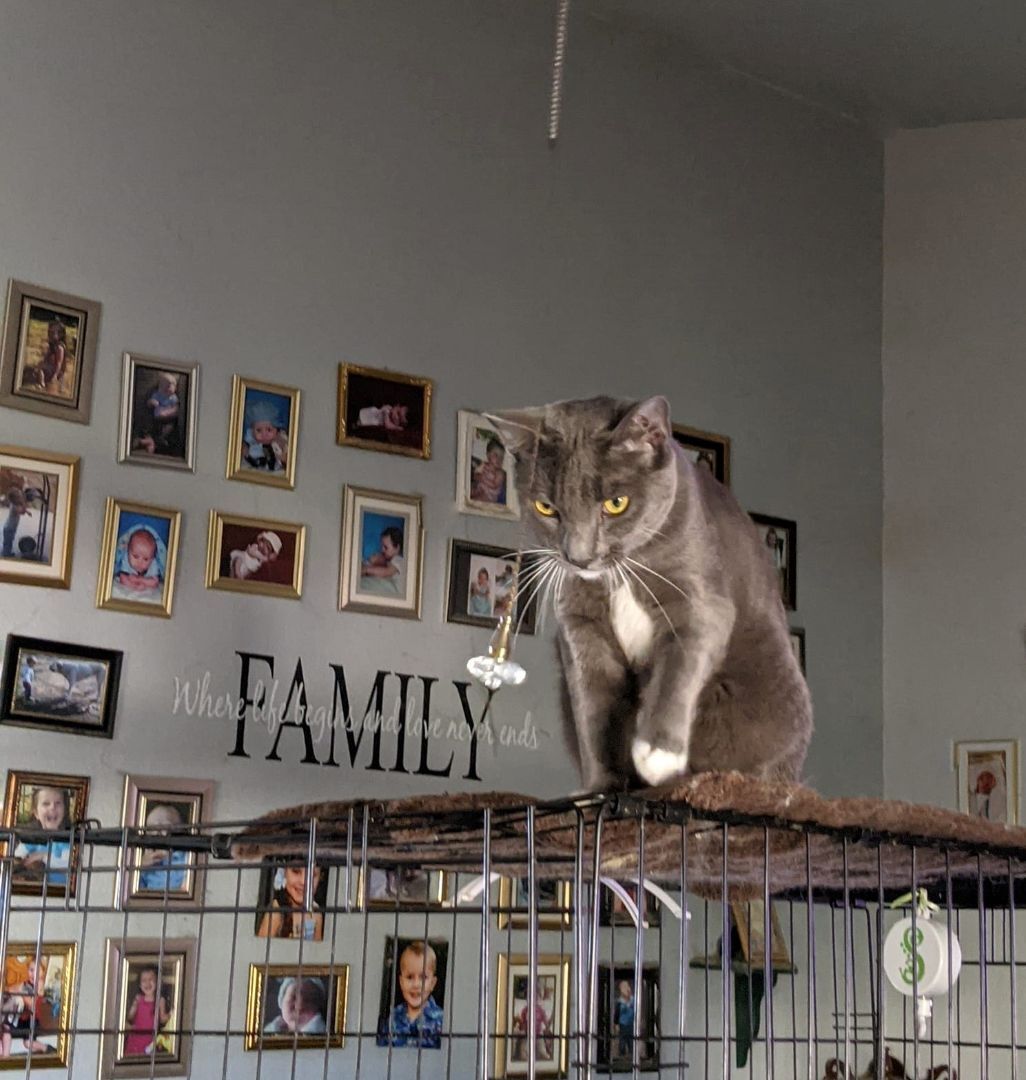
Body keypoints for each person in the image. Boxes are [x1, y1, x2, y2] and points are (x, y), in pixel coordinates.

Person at [376, 940, 444, 1049]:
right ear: (401, 982)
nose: (416, 985)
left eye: (423, 977)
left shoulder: (441, 1021)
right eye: (409, 977)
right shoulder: (391, 1019)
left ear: (432, 983)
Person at [12, 786, 72, 887]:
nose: (52, 807)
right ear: (36, 813)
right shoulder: (31, 838)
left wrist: (43, 856)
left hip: (59, 891)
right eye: (46, 803)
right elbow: (17, 856)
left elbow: (67, 864)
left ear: (65, 811)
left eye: (58, 803)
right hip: (33, 889)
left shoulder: (66, 840)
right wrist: (20, 860)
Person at [1, 957, 59, 1056]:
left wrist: (20, 993)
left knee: (27, 1043)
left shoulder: (39, 985)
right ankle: (5, 1056)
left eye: (37, 970)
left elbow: (32, 1003)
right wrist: (8, 990)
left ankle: (46, 1048)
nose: (33, 974)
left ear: (43, 972)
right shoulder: (26, 983)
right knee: (6, 1028)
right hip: (22, 1018)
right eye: (31, 970)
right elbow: (12, 988)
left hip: (32, 1020)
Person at [256, 862, 324, 940]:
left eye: (312, 875)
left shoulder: (316, 913)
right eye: (296, 872)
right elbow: (260, 948)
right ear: (284, 872)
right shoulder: (276, 910)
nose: (303, 882)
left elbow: (318, 951)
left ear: (320, 878)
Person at [138, 804, 190, 893]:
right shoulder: (143, 860)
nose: (157, 832)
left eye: (165, 827)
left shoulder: (188, 858)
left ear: (180, 830)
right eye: (151, 828)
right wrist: (140, 866)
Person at [123, 965, 171, 1056]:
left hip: (150, 1038)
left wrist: (172, 1013)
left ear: (157, 982)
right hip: (135, 1036)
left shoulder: (160, 1000)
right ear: (140, 985)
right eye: (144, 981)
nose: (147, 983)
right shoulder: (138, 999)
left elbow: (163, 1018)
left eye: (151, 980)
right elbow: (130, 1017)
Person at [111, 525, 166, 601]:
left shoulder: (153, 563)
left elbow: (155, 582)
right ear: (128, 551)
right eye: (136, 556)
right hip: (131, 581)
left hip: (142, 579)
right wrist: (134, 585)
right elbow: (122, 577)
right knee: (123, 579)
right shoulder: (126, 559)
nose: (140, 562)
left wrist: (140, 580)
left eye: (146, 559)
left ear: (153, 557)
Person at [134, 372, 181, 456]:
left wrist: (167, 413)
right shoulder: (157, 394)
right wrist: (152, 402)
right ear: (159, 387)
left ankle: (153, 443)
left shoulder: (173, 398)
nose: (167, 388)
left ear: (175, 388)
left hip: (167, 420)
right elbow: (149, 402)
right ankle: (148, 440)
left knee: (167, 431)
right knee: (148, 425)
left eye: (170, 385)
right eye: (163, 386)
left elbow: (176, 409)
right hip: (154, 418)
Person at [242, 398, 289, 472]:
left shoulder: (280, 439)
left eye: (269, 430)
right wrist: (244, 450)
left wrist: (283, 456)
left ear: (277, 429)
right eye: (258, 430)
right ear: (252, 431)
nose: (264, 434)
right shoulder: (250, 440)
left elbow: (286, 454)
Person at [360, 527, 405, 594]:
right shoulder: (389, 560)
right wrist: (370, 562)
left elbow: (386, 572)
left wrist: (367, 569)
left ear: (397, 548)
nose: (382, 550)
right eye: (382, 546)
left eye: (386, 547)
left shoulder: (398, 559)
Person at [470, 437, 508, 504]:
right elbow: (475, 475)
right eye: (496, 455)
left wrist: (482, 479)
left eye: (501, 457)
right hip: (479, 488)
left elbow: (494, 485)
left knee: (479, 500)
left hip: (489, 495)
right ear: (488, 455)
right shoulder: (484, 465)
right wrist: (476, 476)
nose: (499, 459)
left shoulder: (500, 472)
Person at [1, 486, 31, 559]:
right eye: (19, 496)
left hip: (11, 527)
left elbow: (23, 510)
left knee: (9, 541)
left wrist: (28, 512)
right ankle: (6, 555)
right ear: (15, 499)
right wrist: (24, 503)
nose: (21, 497)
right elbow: (22, 511)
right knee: (8, 542)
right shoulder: (14, 506)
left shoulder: (16, 505)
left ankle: (6, 552)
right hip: (9, 528)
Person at [614, 979, 635, 1059]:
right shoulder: (619, 1002)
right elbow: (617, 1014)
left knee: (631, 1040)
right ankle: (622, 1054)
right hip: (623, 1024)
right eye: (623, 987)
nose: (626, 989)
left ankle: (632, 1053)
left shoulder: (633, 1000)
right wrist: (616, 1024)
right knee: (622, 1040)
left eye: (627, 987)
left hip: (631, 1024)